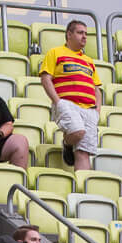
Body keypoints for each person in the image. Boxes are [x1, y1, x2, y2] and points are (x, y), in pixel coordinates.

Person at [40, 20, 103, 171]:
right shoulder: (55, 52)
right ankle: (67, 143)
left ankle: (84, 185)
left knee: (84, 152)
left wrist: (97, 111)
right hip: (67, 104)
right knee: (78, 132)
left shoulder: (88, 61)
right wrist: (57, 102)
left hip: (89, 109)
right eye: (80, 33)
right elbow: (45, 78)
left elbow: (96, 89)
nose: (84, 37)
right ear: (69, 34)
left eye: (86, 34)